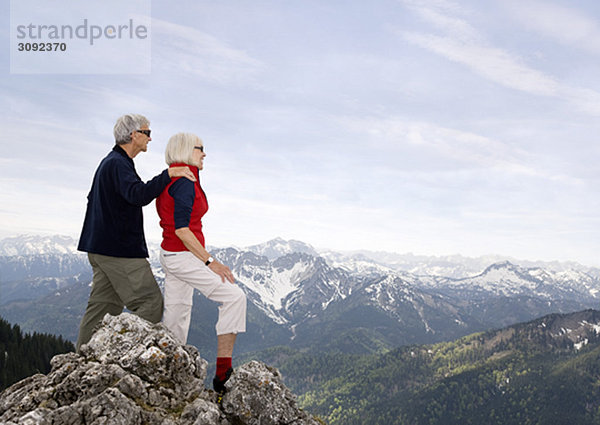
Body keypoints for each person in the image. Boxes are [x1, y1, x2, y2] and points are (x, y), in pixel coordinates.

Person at [76, 114, 196, 352]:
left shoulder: (110, 163)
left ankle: (83, 355)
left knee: (103, 306)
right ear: (134, 135)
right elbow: (137, 194)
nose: (150, 139)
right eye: (147, 133)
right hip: (120, 251)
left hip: (99, 248)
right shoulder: (118, 164)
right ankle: (126, 355)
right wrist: (169, 174)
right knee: (150, 302)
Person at [156, 132, 246, 393]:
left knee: (177, 313)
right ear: (185, 150)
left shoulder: (174, 176)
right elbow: (183, 230)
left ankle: (168, 373)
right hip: (183, 255)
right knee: (234, 297)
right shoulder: (184, 182)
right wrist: (210, 262)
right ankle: (223, 374)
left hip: (171, 254)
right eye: (200, 149)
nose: (204, 153)